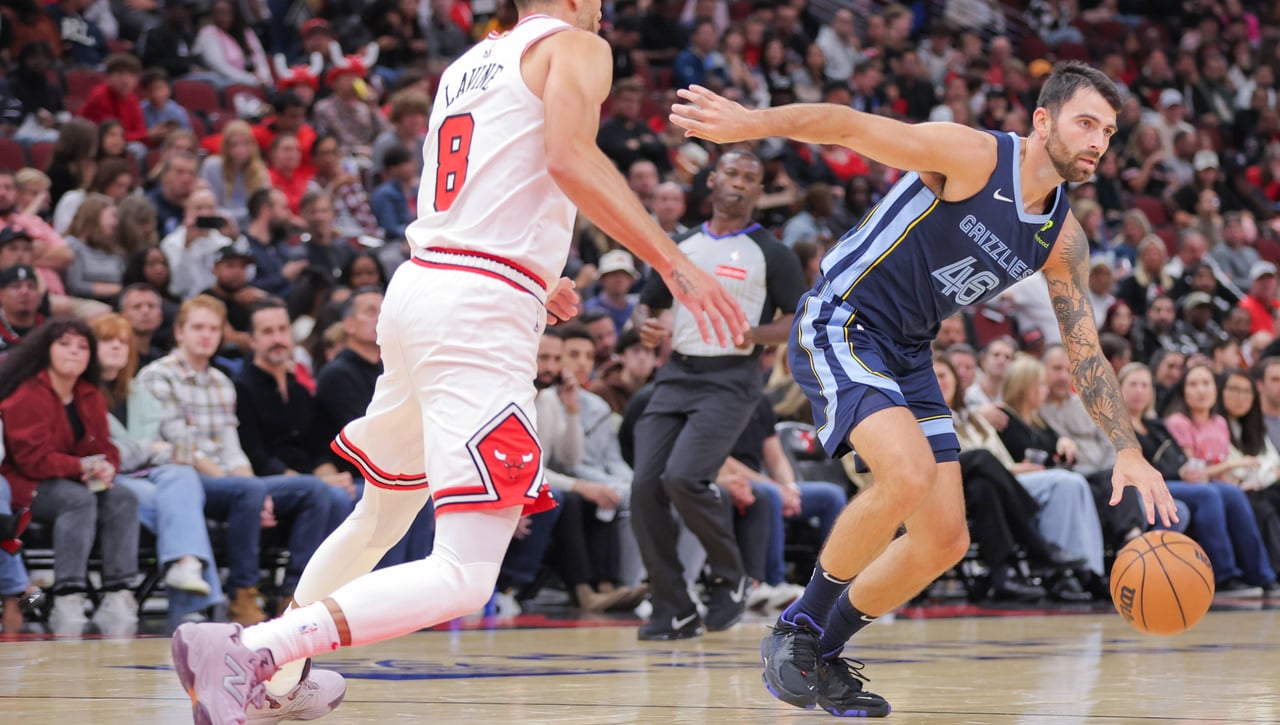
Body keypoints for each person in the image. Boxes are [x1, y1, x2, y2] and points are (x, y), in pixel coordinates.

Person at [169, 1, 748, 721]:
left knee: (380, 515)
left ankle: (276, 682)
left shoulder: (473, 62)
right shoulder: (574, 45)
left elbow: (495, 184)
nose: (603, 7)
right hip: (476, 312)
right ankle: (253, 648)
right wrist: (673, 262)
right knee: (467, 571)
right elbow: (570, 157)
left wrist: (537, 272)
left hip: (424, 284)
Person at [669, 62, 1177, 716]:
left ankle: (824, 650)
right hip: (844, 317)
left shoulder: (1060, 235)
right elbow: (849, 127)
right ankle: (796, 628)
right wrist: (751, 124)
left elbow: (1083, 347)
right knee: (903, 474)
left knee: (944, 539)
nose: (1098, 141)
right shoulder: (972, 156)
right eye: (1085, 122)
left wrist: (1127, 447)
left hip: (907, 352)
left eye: (1107, 131)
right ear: (1043, 120)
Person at [631, 149, 808, 641]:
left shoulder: (772, 253)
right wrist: (645, 327)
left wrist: (753, 334)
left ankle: (732, 576)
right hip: (676, 374)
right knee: (645, 486)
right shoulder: (680, 245)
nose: (739, 183)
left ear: (757, 192)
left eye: (750, 178)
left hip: (733, 378)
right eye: (731, 173)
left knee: (684, 478)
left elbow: (797, 320)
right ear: (712, 180)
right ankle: (674, 605)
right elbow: (645, 307)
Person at [0, 319, 140, 635]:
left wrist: (107, 467)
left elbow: (107, 447)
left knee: (122, 497)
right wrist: (81, 467)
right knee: (76, 500)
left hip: (73, 477)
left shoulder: (89, 394)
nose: (74, 352)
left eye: (82, 347)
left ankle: (119, 593)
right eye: (64, 344)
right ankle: (68, 595)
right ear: (46, 350)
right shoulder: (26, 394)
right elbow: (31, 460)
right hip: (26, 483)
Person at [90, 313, 225, 632]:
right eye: (107, 340)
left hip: (145, 473)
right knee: (177, 505)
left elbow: (150, 450)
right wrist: (147, 449)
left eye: (123, 341)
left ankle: (187, 569)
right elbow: (104, 455)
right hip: (104, 480)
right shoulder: (82, 394)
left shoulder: (139, 393)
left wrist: (148, 451)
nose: (116, 348)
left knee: (183, 476)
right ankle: (199, 605)